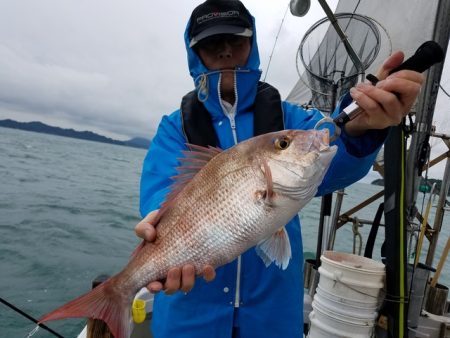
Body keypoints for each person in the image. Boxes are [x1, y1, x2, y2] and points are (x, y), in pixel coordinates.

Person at [135, 0, 423, 337]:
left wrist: (365, 126)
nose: (226, 52)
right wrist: (155, 223)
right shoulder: (175, 127)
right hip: (189, 315)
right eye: (212, 44)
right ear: (194, 54)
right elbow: (161, 195)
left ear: (252, 44)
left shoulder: (290, 120)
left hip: (273, 316)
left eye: (236, 40)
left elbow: (334, 154)